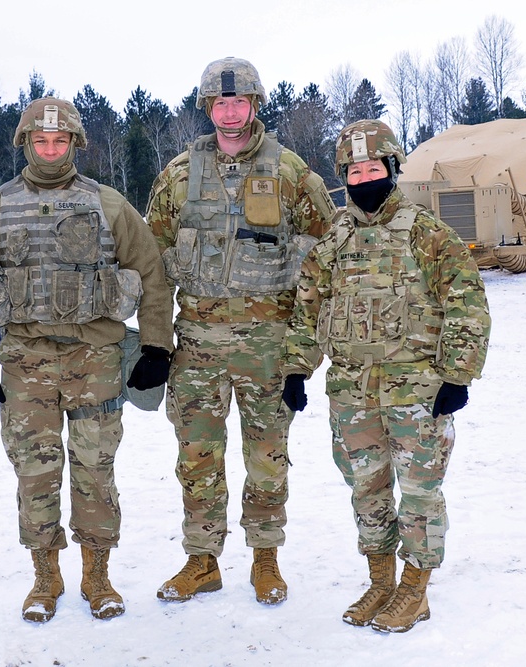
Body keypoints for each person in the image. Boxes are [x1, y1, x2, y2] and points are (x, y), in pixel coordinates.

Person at [0, 97, 174, 623]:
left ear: (75, 144)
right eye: (40, 141)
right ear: (26, 144)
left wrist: (155, 347)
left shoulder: (109, 204)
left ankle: (97, 575)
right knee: (34, 471)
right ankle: (45, 576)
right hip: (25, 362)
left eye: (60, 141)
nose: (50, 150)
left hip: (94, 357)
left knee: (95, 469)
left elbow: (151, 276)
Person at [281, 119, 491, 632]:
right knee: (366, 488)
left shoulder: (427, 233)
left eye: (373, 166)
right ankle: (380, 580)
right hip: (352, 390)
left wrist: (457, 376)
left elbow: (467, 304)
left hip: (416, 391)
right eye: (354, 169)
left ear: (393, 168)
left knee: (420, 491)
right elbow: (307, 307)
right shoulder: (334, 240)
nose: (363, 176)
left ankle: (415, 588)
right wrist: (297, 368)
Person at [145, 57, 336, 605]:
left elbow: (324, 264)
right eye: (220, 103)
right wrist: (157, 343)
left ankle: (266, 560)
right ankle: (202, 561)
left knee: (267, 457)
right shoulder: (178, 176)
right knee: (197, 458)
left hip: (267, 349)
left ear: (255, 105)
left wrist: (303, 358)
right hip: (197, 349)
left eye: (240, 102)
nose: (230, 113)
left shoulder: (292, 173)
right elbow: (151, 266)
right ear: (208, 108)